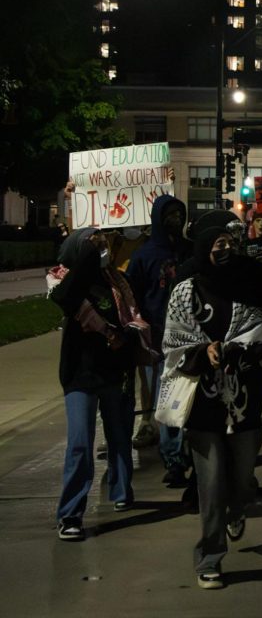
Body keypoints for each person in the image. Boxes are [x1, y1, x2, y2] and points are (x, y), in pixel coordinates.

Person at [162, 228, 262, 589]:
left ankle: (237, 509)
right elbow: (173, 342)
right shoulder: (186, 291)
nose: (225, 249)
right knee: (210, 485)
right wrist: (202, 351)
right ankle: (209, 558)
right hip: (203, 404)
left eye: (230, 243)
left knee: (243, 477)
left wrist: (240, 349)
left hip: (244, 400)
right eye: (218, 244)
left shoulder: (248, 284)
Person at [48, 228, 145, 540]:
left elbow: (134, 317)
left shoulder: (117, 281)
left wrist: (125, 336)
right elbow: (65, 299)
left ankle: (121, 491)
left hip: (114, 372)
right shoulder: (64, 280)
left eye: (104, 244)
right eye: (94, 244)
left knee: (119, 436)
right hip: (80, 375)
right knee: (80, 443)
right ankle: (70, 514)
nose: (102, 249)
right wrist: (86, 259)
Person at [127, 194, 190, 486]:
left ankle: (190, 455)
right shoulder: (143, 256)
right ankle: (174, 459)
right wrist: (142, 337)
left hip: (190, 337)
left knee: (189, 401)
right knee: (168, 403)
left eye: (180, 214)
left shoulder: (190, 251)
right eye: (170, 215)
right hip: (158, 340)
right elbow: (133, 300)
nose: (176, 220)